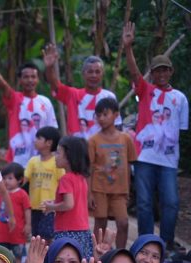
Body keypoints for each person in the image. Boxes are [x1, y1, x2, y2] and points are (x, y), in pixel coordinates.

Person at [122, 22, 189, 250]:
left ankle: (167, 243)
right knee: (143, 204)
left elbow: (179, 131)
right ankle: (145, 244)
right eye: (157, 70)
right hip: (144, 158)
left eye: (165, 69)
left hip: (169, 160)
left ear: (171, 71)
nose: (161, 73)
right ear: (152, 73)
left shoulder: (180, 98)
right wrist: (128, 47)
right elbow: (133, 71)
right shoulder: (145, 91)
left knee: (170, 203)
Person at [0, 52, 57, 166]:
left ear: (38, 79)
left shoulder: (46, 102)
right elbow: (3, 86)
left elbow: (52, 131)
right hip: (19, 158)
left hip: (42, 158)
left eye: (33, 77)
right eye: (26, 77)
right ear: (20, 80)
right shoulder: (15, 99)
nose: (30, 80)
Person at [88, 97, 137, 249]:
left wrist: (128, 190)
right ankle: (97, 256)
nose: (101, 118)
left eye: (105, 114)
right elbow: (89, 168)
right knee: (100, 223)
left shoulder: (126, 139)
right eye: (98, 115)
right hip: (99, 189)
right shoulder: (93, 140)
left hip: (119, 191)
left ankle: (120, 254)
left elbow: (128, 166)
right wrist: (89, 193)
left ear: (116, 115)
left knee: (123, 223)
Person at [43, 44, 121, 138]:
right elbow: (55, 85)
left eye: (97, 72)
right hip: (78, 148)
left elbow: (117, 126)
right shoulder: (73, 94)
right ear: (83, 74)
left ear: (102, 74)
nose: (94, 75)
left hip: (103, 148)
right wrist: (49, 67)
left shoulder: (109, 97)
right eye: (90, 72)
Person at [42, 135, 93, 258]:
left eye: (58, 153)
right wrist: (55, 202)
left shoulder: (66, 179)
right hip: (83, 230)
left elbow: (69, 204)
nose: (55, 156)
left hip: (67, 231)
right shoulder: (81, 178)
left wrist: (51, 206)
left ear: (69, 157)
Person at [25, 126, 64, 242]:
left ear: (49, 142)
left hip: (49, 208)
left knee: (47, 238)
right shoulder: (33, 161)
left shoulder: (56, 162)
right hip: (34, 207)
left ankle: (48, 259)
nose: (35, 140)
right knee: (35, 237)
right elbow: (25, 179)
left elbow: (62, 183)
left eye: (38, 138)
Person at [0, 163, 31, 261]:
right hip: (3, 232)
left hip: (18, 232)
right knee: (2, 257)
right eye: (4, 178)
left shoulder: (22, 194)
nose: (6, 181)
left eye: (10, 178)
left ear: (19, 180)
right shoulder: (0, 193)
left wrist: (28, 225)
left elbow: (27, 210)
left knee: (18, 257)